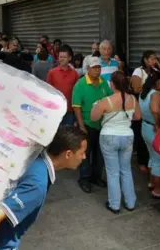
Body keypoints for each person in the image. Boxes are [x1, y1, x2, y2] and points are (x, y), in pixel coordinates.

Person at [90, 71, 141, 213]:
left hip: (109, 136)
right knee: (126, 170)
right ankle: (130, 202)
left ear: (112, 84)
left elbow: (94, 117)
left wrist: (96, 105)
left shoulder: (106, 101)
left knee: (112, 172)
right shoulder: (132, 99)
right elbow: (137, 117)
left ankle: (115, 204)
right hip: (127, 136)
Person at [72, 57, 111, 193]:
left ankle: (96, 177)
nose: (97, 70)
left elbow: (110, 99)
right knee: (85, 155)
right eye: (94, 68)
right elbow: (76, 107)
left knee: (100, 154)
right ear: (87, 69)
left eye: (99, 67)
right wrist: (81, 126)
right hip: (87, 125)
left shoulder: (104, 83)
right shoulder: (80, 84)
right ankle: (84, 179)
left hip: (103, 125)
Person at [138, 69, 160, 197]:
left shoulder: (144, 93)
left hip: (145, 127)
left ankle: (151, 182)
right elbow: (155, 110)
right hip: (154, 129)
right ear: (158, 82)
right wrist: (157, 123)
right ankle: (157, 189)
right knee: (159, 161)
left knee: (152, 157)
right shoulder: (155, 94)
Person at [46, 45, 78, 126]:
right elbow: (47, 91)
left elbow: (77, 92)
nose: (62, 59)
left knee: (68, 135)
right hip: (55, 110)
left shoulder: (74, 74)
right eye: (60, 56)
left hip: (70, 110)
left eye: (64, 57)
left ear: (69, 58)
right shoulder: (52, 73)